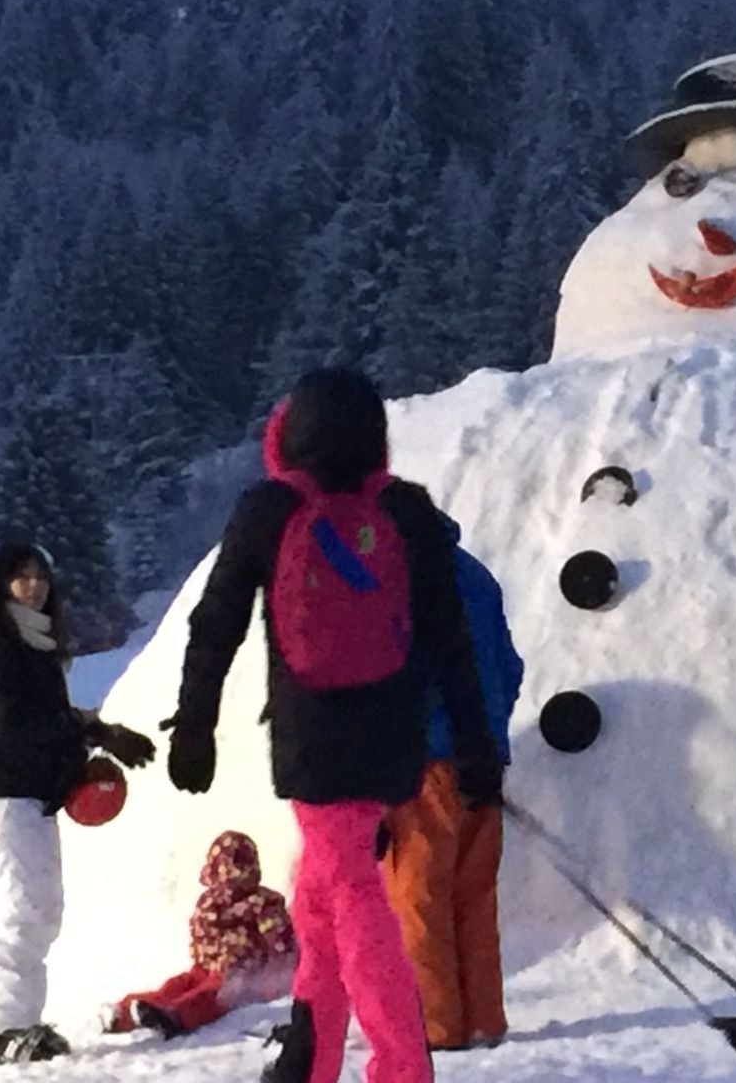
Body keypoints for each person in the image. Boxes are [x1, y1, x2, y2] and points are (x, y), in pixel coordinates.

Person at [165, 366, 499, 1083]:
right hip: (390, 739)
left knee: (353, 897)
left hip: (311, 738)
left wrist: (194, 728)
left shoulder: (269, 509)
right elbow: (450, 636)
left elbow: (213, 623)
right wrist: (475, 741)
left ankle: (401, 1065)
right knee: (321, 893)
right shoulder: (407, 511)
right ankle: (309, 1060)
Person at [0, 541, 156, 1066]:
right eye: (21, 576)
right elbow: (8, 721)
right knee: (19, 909)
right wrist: (86, 736)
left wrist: (97, 729)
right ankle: (0, 1031)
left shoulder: (32, 641)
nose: (34, 585)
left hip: (28, 794)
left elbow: (45, 715)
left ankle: (22, 1020)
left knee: (40, 908)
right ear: (0, 585)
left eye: (41, 575)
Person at [380, 518, 523, 1051]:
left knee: (419, 896)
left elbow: (396, 681)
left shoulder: (401, 583)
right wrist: (492, 733)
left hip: (427, 761)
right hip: (484, 761)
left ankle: (434, 1029)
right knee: (474, 894)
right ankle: (484, 1020)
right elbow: (509, 668)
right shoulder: (478, 577)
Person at [103, 829, 295, 1038]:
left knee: (207, 997)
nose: (236, 879)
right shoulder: (210, 900)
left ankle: (174, 1016)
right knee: (173, 987)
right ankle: (124, 1014)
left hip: (236, 976)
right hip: (203, 968)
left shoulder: (262, 902)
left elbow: (279, 940)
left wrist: (276, 954)